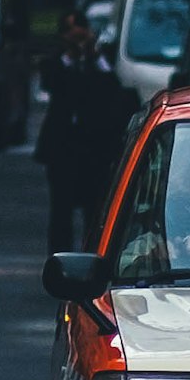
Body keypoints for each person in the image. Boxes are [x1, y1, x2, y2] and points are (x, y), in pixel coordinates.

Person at [34, 18, 130, 254]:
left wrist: (93, 56)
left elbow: (113, 89)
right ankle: (59, 257)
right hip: (62, 147)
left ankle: (91, 256)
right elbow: (53, 84)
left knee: (94, 209)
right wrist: (71, 57)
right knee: (61, 210)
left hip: (94, 147)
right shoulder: (55, 63)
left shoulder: (100, 63)